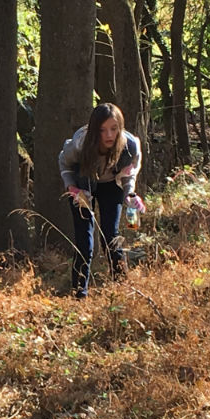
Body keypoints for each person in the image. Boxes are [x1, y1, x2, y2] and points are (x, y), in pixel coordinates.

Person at [58, 103, 146, 298]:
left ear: (120, 127)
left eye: (114, 129)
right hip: (81, 187)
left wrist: (130, 194)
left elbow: (129, 175)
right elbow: (64, 162)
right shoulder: (80, 144)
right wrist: (71, 187)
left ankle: (122, 287)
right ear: (94, 130)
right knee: (85, 242)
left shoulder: (130, 146)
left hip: (111, 186)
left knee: (111, 237)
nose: (108, 135)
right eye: (102, 130)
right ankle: (79, 294)